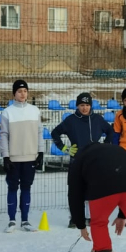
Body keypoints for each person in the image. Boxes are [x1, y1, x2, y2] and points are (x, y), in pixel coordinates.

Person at [51, 92, 114, 227]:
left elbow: (110, 131)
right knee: (74, 190)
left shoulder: (97, 119)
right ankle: (75, 218)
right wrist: (64, 148)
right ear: (77, 106)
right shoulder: (71, 120)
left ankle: (91, 217)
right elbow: (54, 132)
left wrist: (105, 145)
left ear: (91, 106)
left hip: (93, 160)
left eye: (87, 105)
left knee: (92, 188)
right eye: (81, 105)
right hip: (77, 160)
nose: (84, 108)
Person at [0, 79, 45, 232]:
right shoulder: (7, 112)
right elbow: (4, 135)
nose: (22, 94)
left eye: (25, 91)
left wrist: (41, 152)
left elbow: (39, 132)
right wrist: (5, 156)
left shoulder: (35, 110)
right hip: (14, 158)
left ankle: (25, 220)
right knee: (12, 188)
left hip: (30, 157)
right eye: (19, 91)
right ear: (14, 93)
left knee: (26, 188)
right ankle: (12, 220)